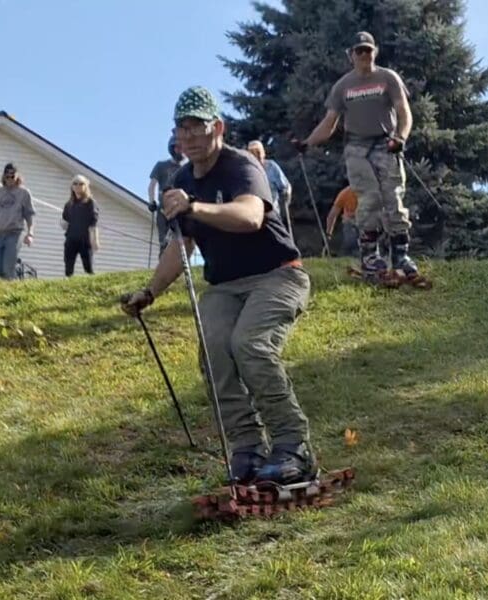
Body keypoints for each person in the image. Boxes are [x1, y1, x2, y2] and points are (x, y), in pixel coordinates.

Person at [122, 86, 315, 485]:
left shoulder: (240, 165)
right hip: (225, 285)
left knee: (251, 345)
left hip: (277, 274)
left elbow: (250, 217)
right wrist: (151, 291)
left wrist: (195, 206)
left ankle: (293, 446)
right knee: (215, 355)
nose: (189, 137)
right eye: (182, 129)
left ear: (219, 128)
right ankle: (247, 449)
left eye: (198, 127)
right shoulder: (180, 177)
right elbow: (182, 245)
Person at [298, 31, 420, 282]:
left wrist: (400, 138)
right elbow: (330, 122)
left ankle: (401, 256)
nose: (364, 54)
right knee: (369, 197)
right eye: (359, 51)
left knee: (393, 196)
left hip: (385, 143)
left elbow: (403, 111)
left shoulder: (388, 78)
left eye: (368, 50)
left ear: (375, 52)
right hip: (355, 146)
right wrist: (307, 142)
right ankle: (370, 255)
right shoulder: (343, 86)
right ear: (351, 55)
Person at [0, 163, 35, 280]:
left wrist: (30, 233)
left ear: (17, 177)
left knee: (8, 267)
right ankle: (10, 281)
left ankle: (11, 283)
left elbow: (30, 214)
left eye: (12, 176)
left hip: (15, 233)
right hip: (0, 233)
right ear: (3, 177)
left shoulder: (24, 193)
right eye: (7, 176)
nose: (10, 179)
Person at [148, 135, 185, 255]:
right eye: (178, 148)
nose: (181, 151)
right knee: (163, 241)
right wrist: (151, 201)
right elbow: (152, 185)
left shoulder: (186, 169)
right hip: (163, 210)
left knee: (179, 240)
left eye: (183, 148)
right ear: (172, 148)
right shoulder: (161, 166)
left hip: (179, 210)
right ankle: (163, 266)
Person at [246, 140, 293, 232]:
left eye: (258, 152)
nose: (256, 155)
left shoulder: (272, 167)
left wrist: (287, 196)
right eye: (252, 152)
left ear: (263, 153)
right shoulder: (247, 169)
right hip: (254, 217)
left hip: (272, 215)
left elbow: (286, 186)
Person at [61, 174, 100, 276]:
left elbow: (93, 223)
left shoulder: (91, 203)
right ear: (72, 187)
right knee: (68, 268)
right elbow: (65, 221)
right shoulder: (69, 204)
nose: (78, 186)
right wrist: (62, 223)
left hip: (85, 240)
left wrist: (94, 240)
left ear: (86, 186)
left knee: (88, 268)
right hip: (71, 239)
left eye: (81, 184)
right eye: (75, 184)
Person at [326, 185, 359, 257]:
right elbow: (332, 215)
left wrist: (329, 234)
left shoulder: (345, 192)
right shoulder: (345, 193)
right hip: (352, 223)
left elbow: (332, 215)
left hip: (359, 222)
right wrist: (329, 233)